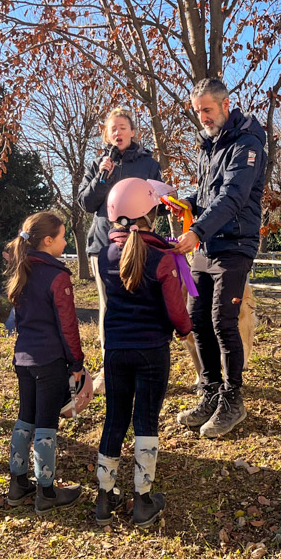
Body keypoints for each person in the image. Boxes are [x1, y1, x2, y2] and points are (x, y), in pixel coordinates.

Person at [171, 78, 266, 439]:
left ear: (227, 105)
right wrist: (184, 203)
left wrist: (197, 230)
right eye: (198, 112)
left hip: (235, 244)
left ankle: (233, 400)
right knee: (196, 319)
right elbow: (208, 193)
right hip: (207, 245)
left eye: (207, 110)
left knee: (223, 321)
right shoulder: (209, 145)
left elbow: (232, 196)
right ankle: (210, 393)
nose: (203, 118)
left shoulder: (248, 143)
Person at [94, 178, 193, 527]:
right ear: (149, 214)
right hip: (151, 350)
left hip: (116, 351)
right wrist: (184, 330)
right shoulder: (161, 258)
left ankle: (104, 498)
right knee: (145, 421)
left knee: (114, 419)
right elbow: (175, 308)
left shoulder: (106, 255)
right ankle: (143, 499)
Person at [3, 211, 91, 515]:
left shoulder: (22, 270)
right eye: (63, 236)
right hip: (49, 360)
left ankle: (17, 483)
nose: (66, 241)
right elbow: (68, 325)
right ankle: (46, 491)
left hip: (23, 359)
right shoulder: (57, 276)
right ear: (48, 241)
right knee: (46, 425)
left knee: (24, 418)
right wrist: (76, 361)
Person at [77, 108, 162, 395]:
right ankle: (108, 369)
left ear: (133, 132)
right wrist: (103, 176)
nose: (118, 133)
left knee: (142, 305)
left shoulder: (149, 164)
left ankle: (142, 366)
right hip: (103, 246)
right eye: (112, 129)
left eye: (123, 127)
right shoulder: (98, 163)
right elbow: (86, 204)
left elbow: (158, 204)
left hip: (139, 245)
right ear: (106, 134)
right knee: (109, 307)